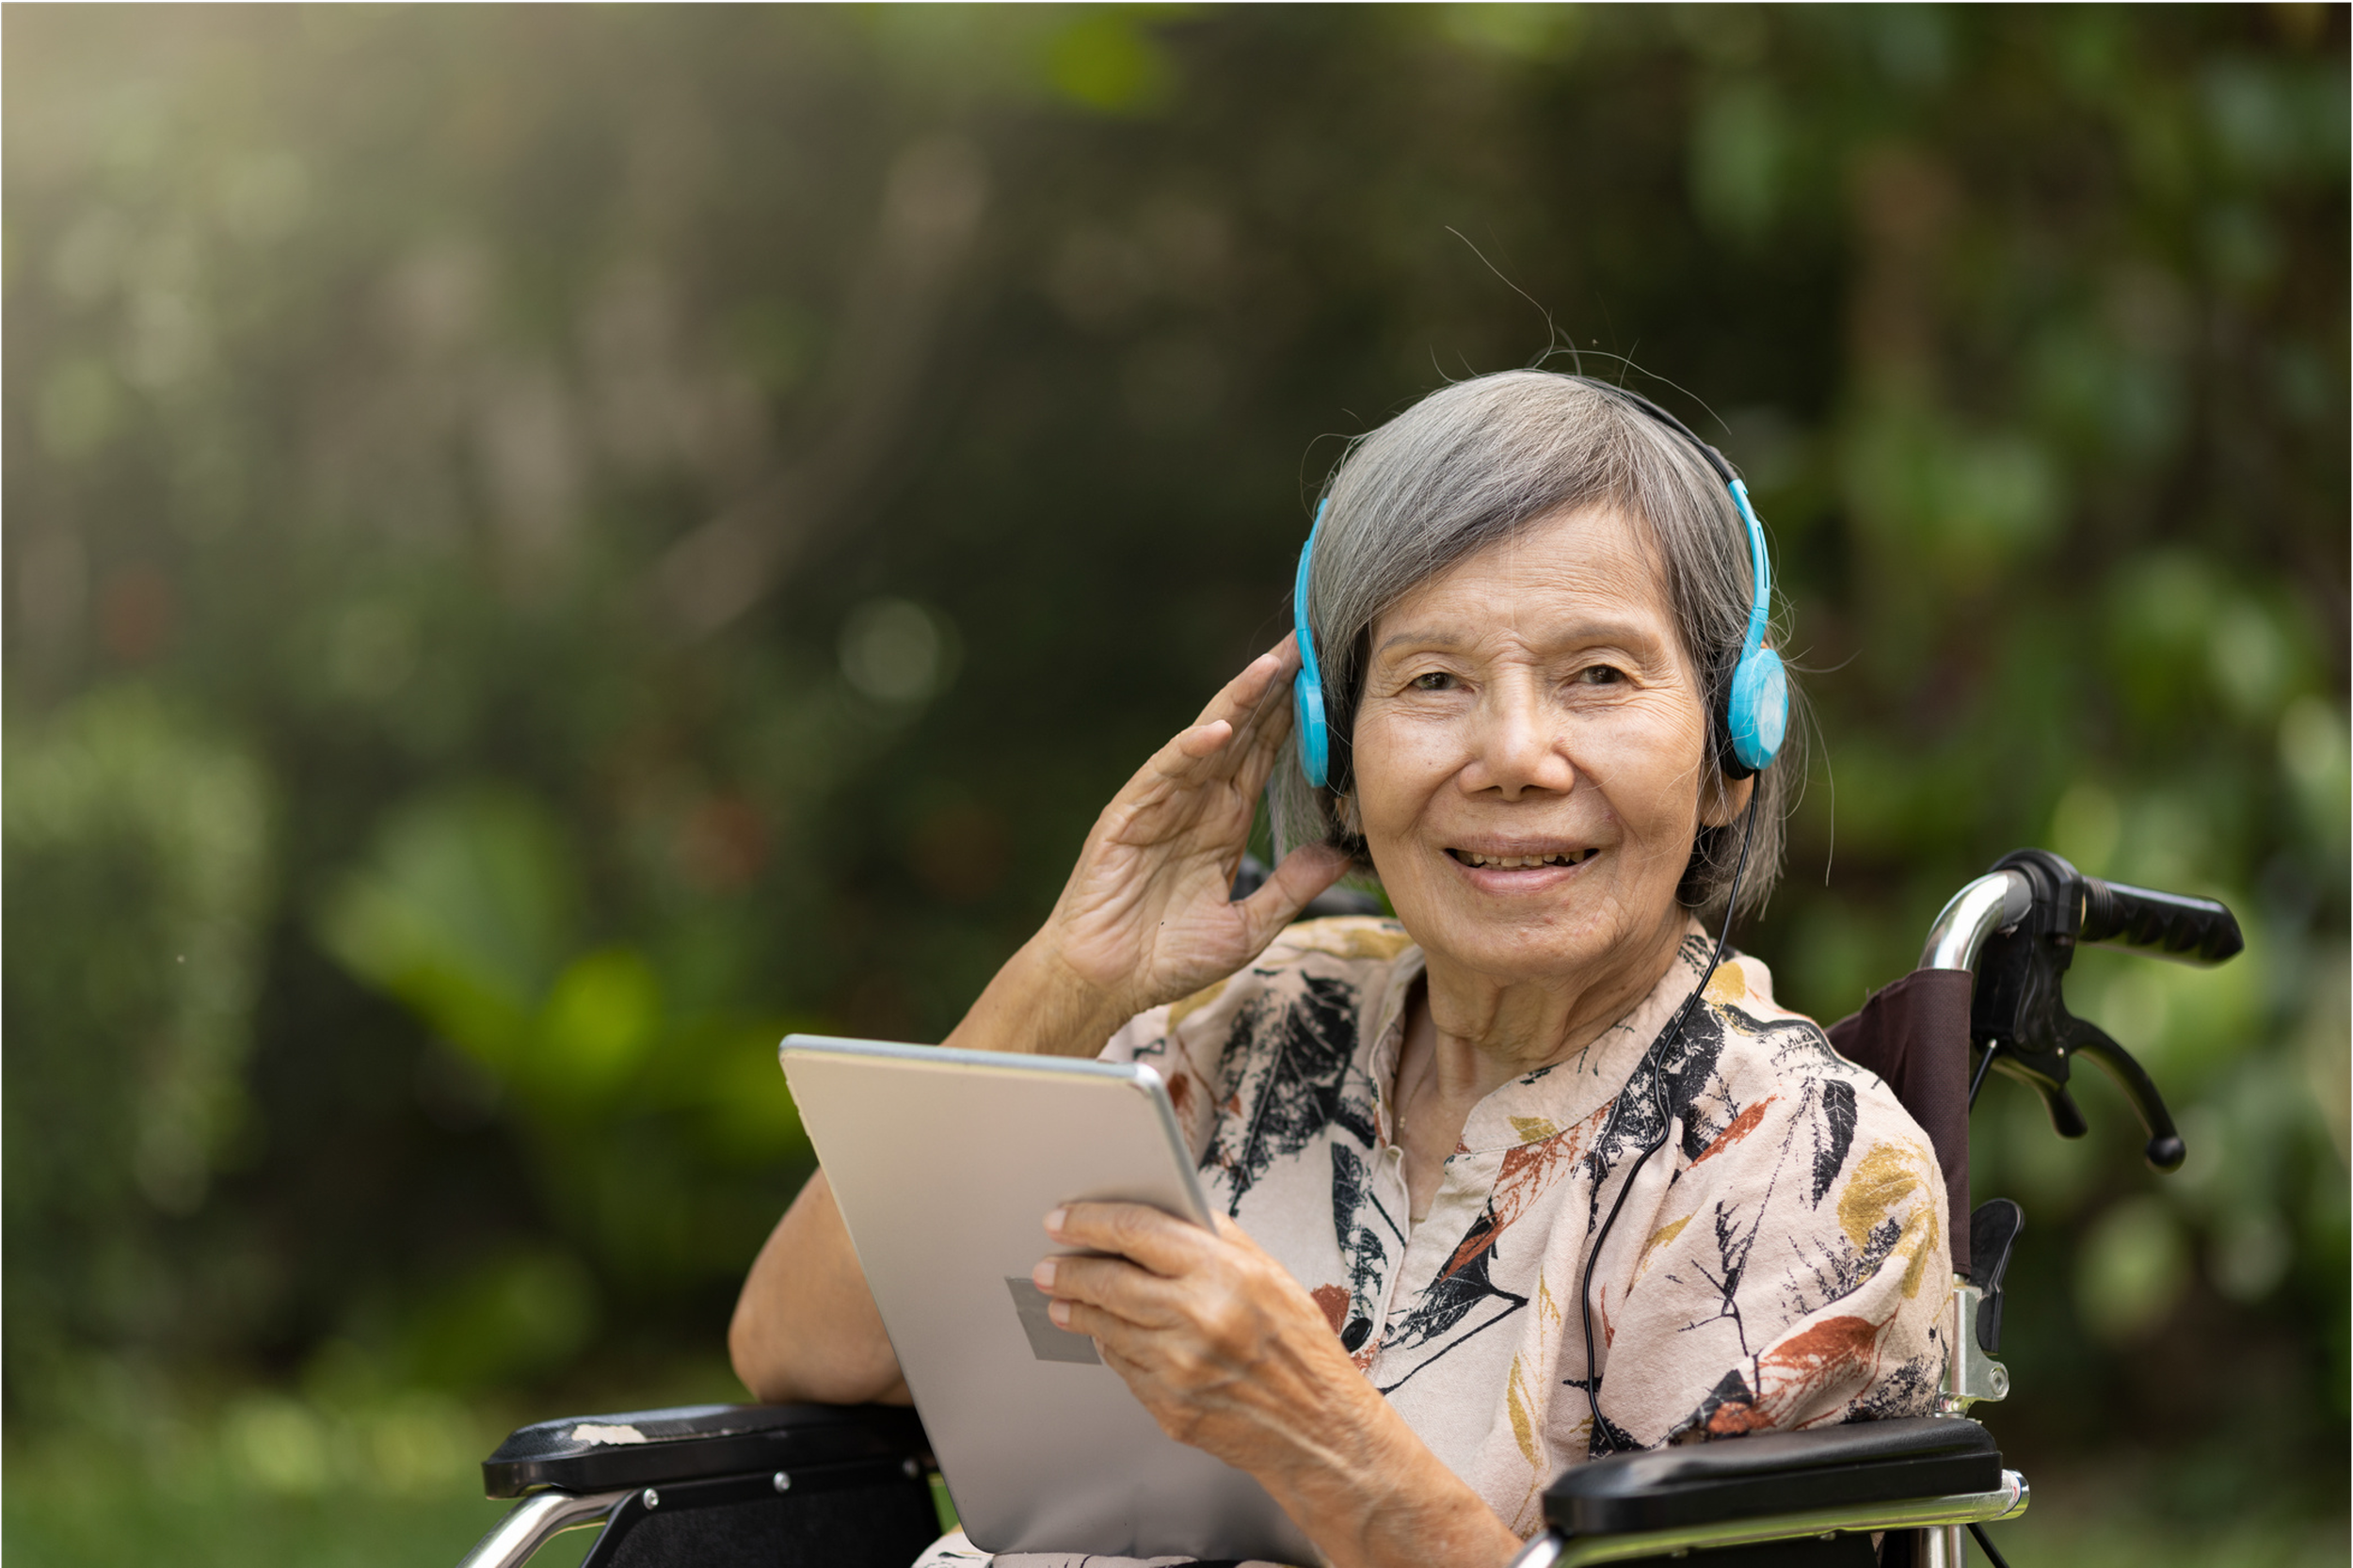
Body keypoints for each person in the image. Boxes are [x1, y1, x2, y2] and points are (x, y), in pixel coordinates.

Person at [728, 371, 1950, 1568]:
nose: (1516, 753)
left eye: (1599, 674)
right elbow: (801, 1348)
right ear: (1337, 750)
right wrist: (1074, 974)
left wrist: (1317, 1431)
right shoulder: (1249, 1023)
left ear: (1735, 744)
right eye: (1433, 681)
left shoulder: (1797, 1166)